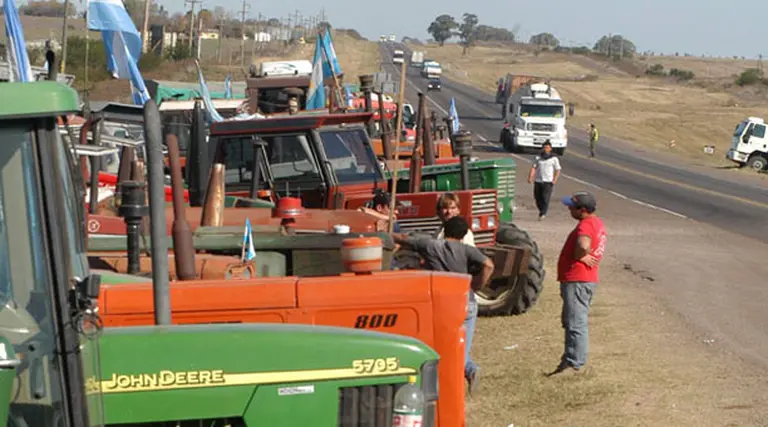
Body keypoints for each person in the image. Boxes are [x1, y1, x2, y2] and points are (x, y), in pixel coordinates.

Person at [393, 216, 495, 395]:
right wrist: (477, 284)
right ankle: (468, 370)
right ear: (464, 234)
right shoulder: (466, 250)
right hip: (467, 301)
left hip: (444, 303)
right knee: (462, 345)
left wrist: (386, 232)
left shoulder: (430, 245)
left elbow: (402, 239)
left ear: (444, 230)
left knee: (442, 346)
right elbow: (488, 265)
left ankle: (461, 377)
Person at [549, 191, 607, 376]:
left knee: (575, 322)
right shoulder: (597, 223)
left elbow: (583, 244)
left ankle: (575, 363)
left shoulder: (586, 225)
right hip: (584, 279)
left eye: (572, 207)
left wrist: (581, 255)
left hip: (578, 279)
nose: (568, 209)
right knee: (572, 320)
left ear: (582, 210)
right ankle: (569, 359)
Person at [527, 141, 562, 220]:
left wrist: (554, 180)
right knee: (537, 198)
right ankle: (541, 210)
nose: (546, 149)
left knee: (545, 198)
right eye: (545, 147)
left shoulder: (554, 159)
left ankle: (543, 214)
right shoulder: (538, 158)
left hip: (548, 182)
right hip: (538, 181)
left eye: (547, 147)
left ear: (550, 149)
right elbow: (533, 167)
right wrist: (530, 177)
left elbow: (558, 170)